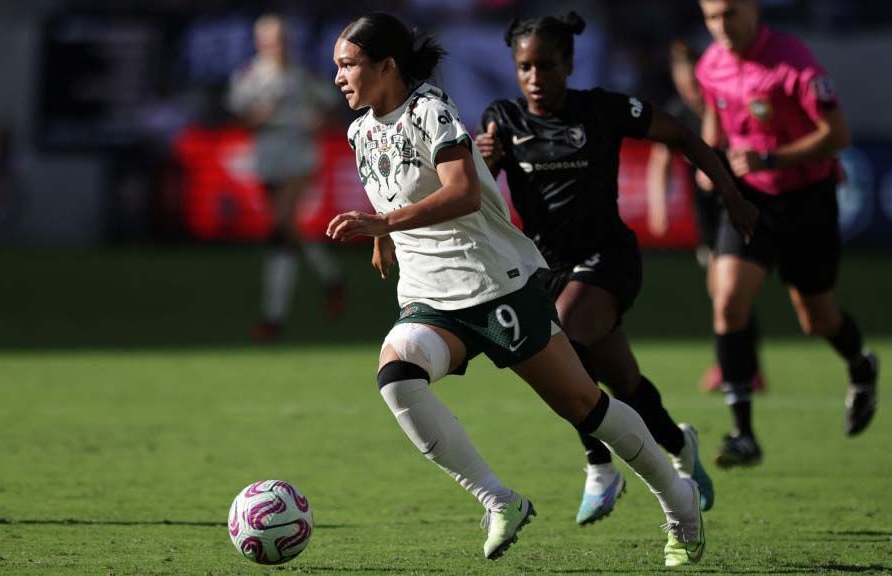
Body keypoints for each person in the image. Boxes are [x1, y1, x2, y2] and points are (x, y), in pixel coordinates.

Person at [328, 12, 729, 566]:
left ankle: (679, 502)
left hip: (495, 287)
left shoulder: (430, 111)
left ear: (386, 66)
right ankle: (499, 501)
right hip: (429, 299)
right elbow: (394, 191)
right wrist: (384, 236)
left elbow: (464, 192)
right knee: (397, 377)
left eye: (348, 65)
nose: (339, 77)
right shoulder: (359, 130)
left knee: (585, 406)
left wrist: (385, 225)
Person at [475, 14, 756, 523]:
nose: (535, 77)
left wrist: (732, 197)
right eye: (525, 67)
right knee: (624, 382)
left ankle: (600, 465)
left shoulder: (602, 109)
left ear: (569, 64)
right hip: (550, 268)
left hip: (608, 258)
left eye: (546, 65)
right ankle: (680, 445)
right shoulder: (503, 119)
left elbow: (684, 138)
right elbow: (479, 191)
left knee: (564, 350)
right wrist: (483, 160)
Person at [695, 0, 880, 468]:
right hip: (750, 203)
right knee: (729, 300)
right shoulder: (710, 65)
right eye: (712, 16)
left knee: (816, 318)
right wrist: (710, 166)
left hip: (805, 200)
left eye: (730, 13)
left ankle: (861, 366)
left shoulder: (793, 62)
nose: (722, 25)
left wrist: (771, 159)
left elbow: (837, 135)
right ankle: (743, 434)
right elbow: (714, 128)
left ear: (754, 9)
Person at [645, 40, 766, 395]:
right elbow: (660, 159)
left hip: (737, 207)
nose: (691, 94)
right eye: (683, 87)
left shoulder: (727, 105)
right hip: (706, 215)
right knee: (724, 294)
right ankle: (742, 365)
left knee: (726, 292)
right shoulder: (678, 113)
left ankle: (735, 367)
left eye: (695, 86)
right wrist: (658, 207)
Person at [227, 14, 346, 339]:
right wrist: (257, 116)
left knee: (280, 228)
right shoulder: (250, 76)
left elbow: (330, 106)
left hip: (298, 155)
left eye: (280, 38)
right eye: (269, 39)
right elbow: (238, 114)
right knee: (289, 228)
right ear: (260, 42)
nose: (276, 45)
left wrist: (318, 121)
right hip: (268, 157)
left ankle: (273, 318)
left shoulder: (302, 75)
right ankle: (332, 277)